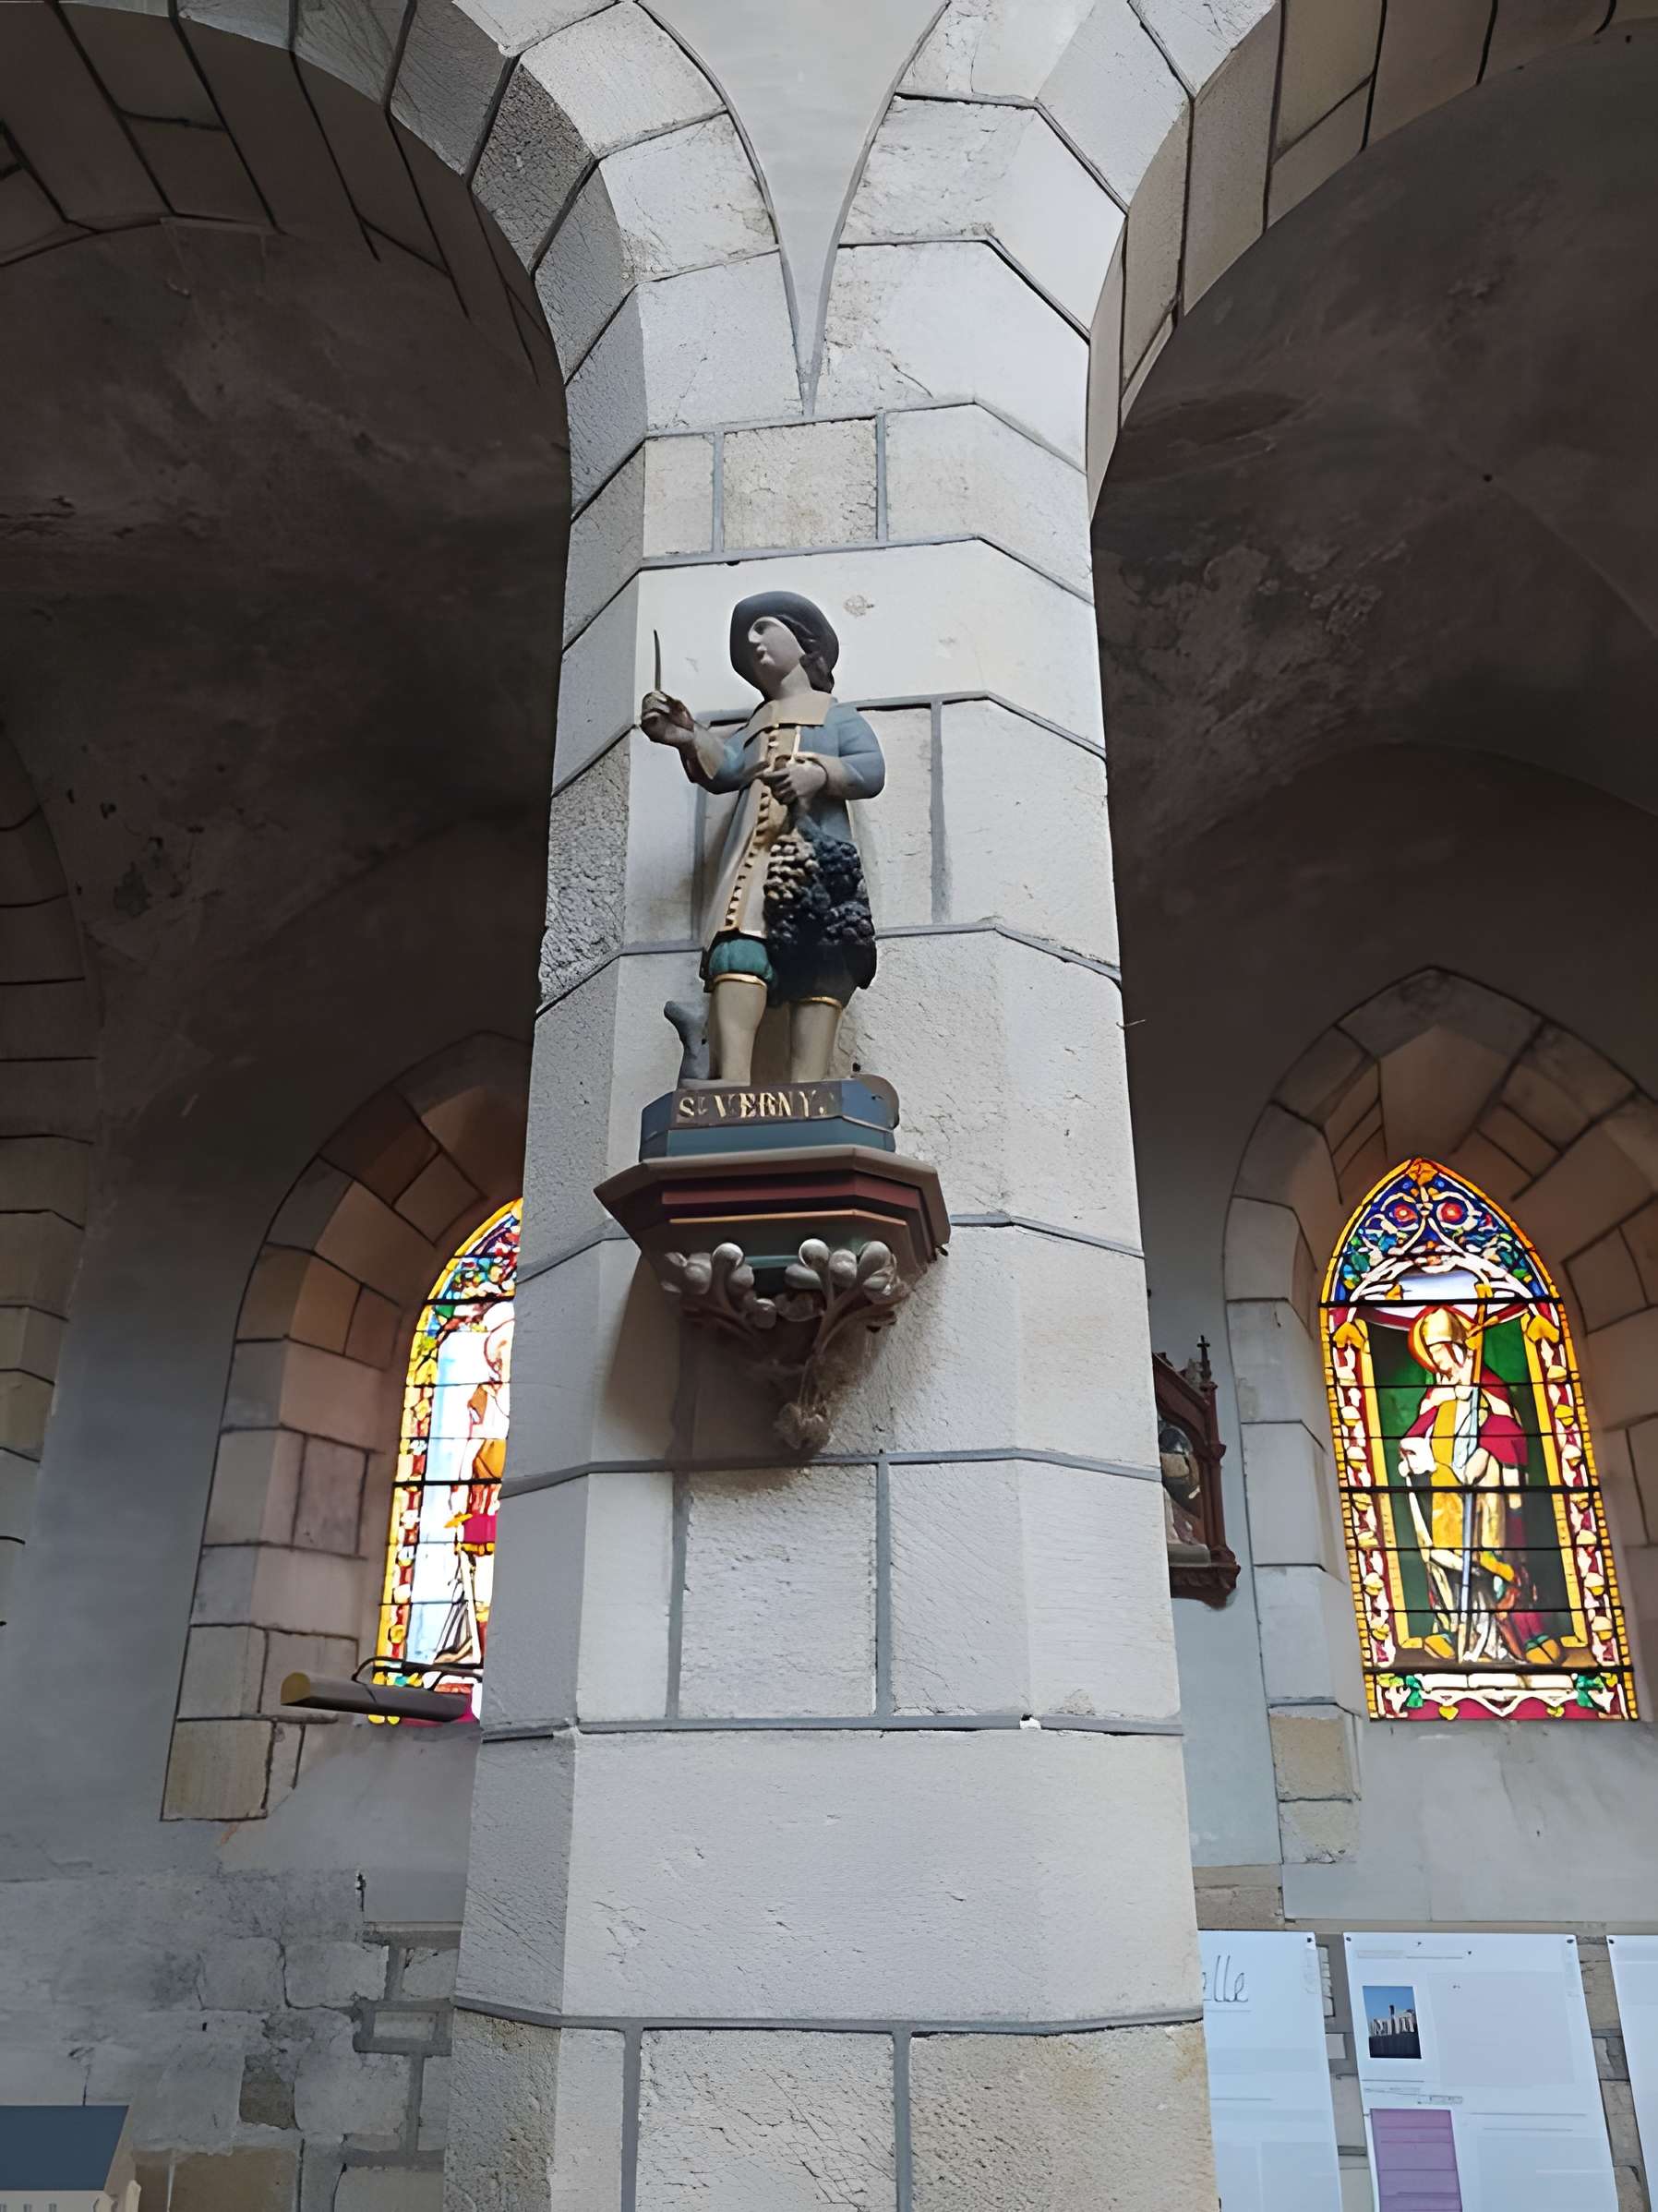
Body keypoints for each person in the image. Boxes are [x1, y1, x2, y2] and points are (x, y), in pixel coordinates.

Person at [641, 591, 885, 1086]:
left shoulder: (837, 716)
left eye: (764, 628)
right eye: (744, 638)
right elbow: (728, 768)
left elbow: (871, 769)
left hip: (812, 861)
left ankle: (809, 1086)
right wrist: (688, 736)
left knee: (823, 958)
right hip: (752, 861)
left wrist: (819, 773)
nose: (753, 643)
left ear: (805, 641)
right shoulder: (757, 721)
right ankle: (731, 1081)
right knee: (738, 951)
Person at [1396, 1304, 1559, 1666]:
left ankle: (1521, 1633)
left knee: (1495, 1556)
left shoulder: (1488, 1386)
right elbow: (1418, 1433)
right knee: (1447, 1560)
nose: (1437, 1360)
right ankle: (1455, 1630)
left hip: (1489, 1491)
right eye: (1431, 1352)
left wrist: (1485, 1452)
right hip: (1445, 1493)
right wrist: (1416, 1455)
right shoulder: (1435, 1395)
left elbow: (1509, 1430)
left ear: (1455, 1346)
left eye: (1440, 1350)